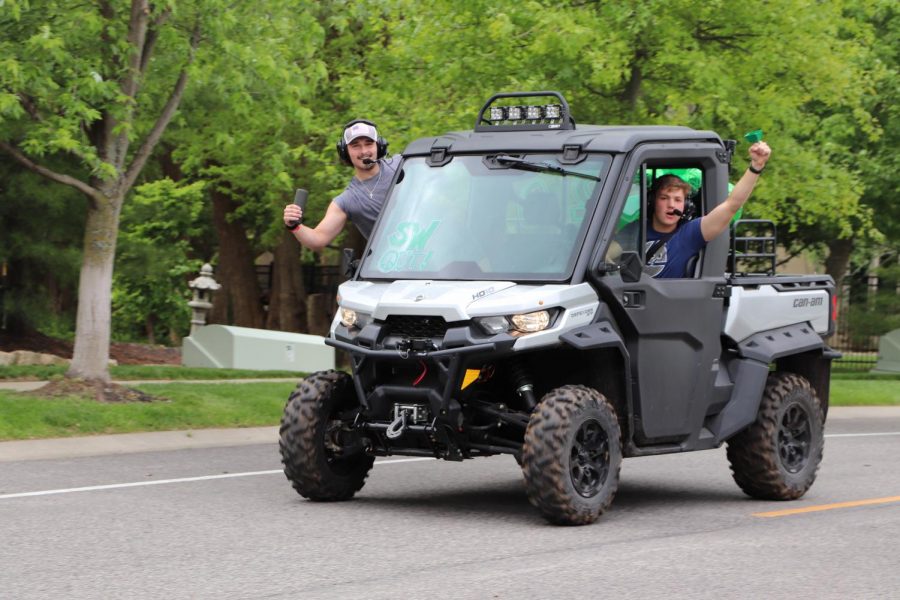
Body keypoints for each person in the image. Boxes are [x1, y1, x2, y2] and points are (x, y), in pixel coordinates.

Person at [638, 141, 772, 278]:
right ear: (652, 201)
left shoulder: (690, 233)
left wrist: (756, 166)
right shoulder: (634, 231)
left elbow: (732, 205)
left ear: (686, 205)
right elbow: (614, 257)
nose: (671, 205)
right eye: (664, 198)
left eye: (678, 200)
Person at [283, 119, 399, 251]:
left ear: (380, 146)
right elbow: (318, 239)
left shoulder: (403, 164)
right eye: (355, 146)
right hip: (393, 264)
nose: (364, 151)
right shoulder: (348, 200)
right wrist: (294, 226)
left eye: (369, 143)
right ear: (345, 152)